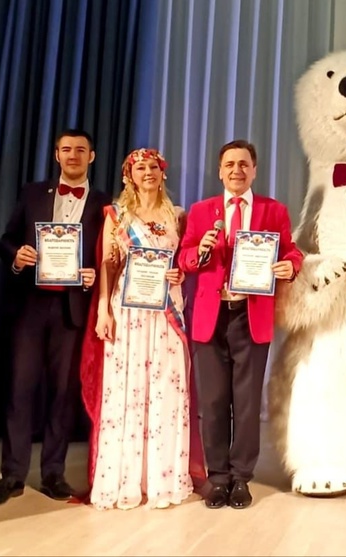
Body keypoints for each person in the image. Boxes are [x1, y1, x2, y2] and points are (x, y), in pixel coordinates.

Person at [0, 129, 111, 509]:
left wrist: (95, 274)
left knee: (63, 396)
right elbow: (6, 240)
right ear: (56, 155)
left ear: (92, 156)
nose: (73, 155)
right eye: (66, 149)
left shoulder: (105, 205)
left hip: (73, 310)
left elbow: (109, 257)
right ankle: (12, 475)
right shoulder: (33, 193)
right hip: (30, 309)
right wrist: (17, 256)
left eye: (80, 150)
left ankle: (53, 472)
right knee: (20, 391)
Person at [178, 139, 303, 510]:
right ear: (220, 171)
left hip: (251, 314)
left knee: (247, 404)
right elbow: (184, 258)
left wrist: (291, 266)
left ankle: (240, 477)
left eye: (244, 164)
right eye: (230, 164)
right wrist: (200, 250)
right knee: (214, 401)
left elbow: (291, 251)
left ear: (254, 170)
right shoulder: (201, 211)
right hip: (210, 316)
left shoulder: (273, 210)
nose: (237, 170)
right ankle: (217, 477)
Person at [79, 148, 204, 510]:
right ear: (128, 176)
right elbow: (108, 264)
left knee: (166, 389)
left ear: (163, 173)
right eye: (140, 168)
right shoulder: (117, 215)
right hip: (128, 310)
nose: (147, 172)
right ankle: (126, 478)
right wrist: (103, 310)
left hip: (166, 312)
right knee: (128, 391)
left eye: (153, 167)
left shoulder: (177, 216)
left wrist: (180, 274)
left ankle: (162, 479)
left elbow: (185, 261)